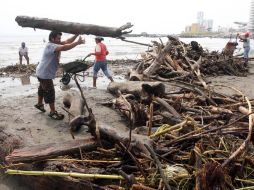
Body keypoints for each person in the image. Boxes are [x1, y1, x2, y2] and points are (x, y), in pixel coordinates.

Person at [34, 31, 85, 120]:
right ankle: (53, 112)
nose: (60, 40)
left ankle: (39, 104)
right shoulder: (51, 46)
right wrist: (77, 42)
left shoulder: (55, 43)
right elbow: (65, 47)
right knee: (50, 92)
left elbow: (67, 41)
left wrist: (76, 35)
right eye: (58, 38)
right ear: (52, 38)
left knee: (42, 89)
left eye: (60, 38)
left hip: (41, 72)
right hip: (45, 74)